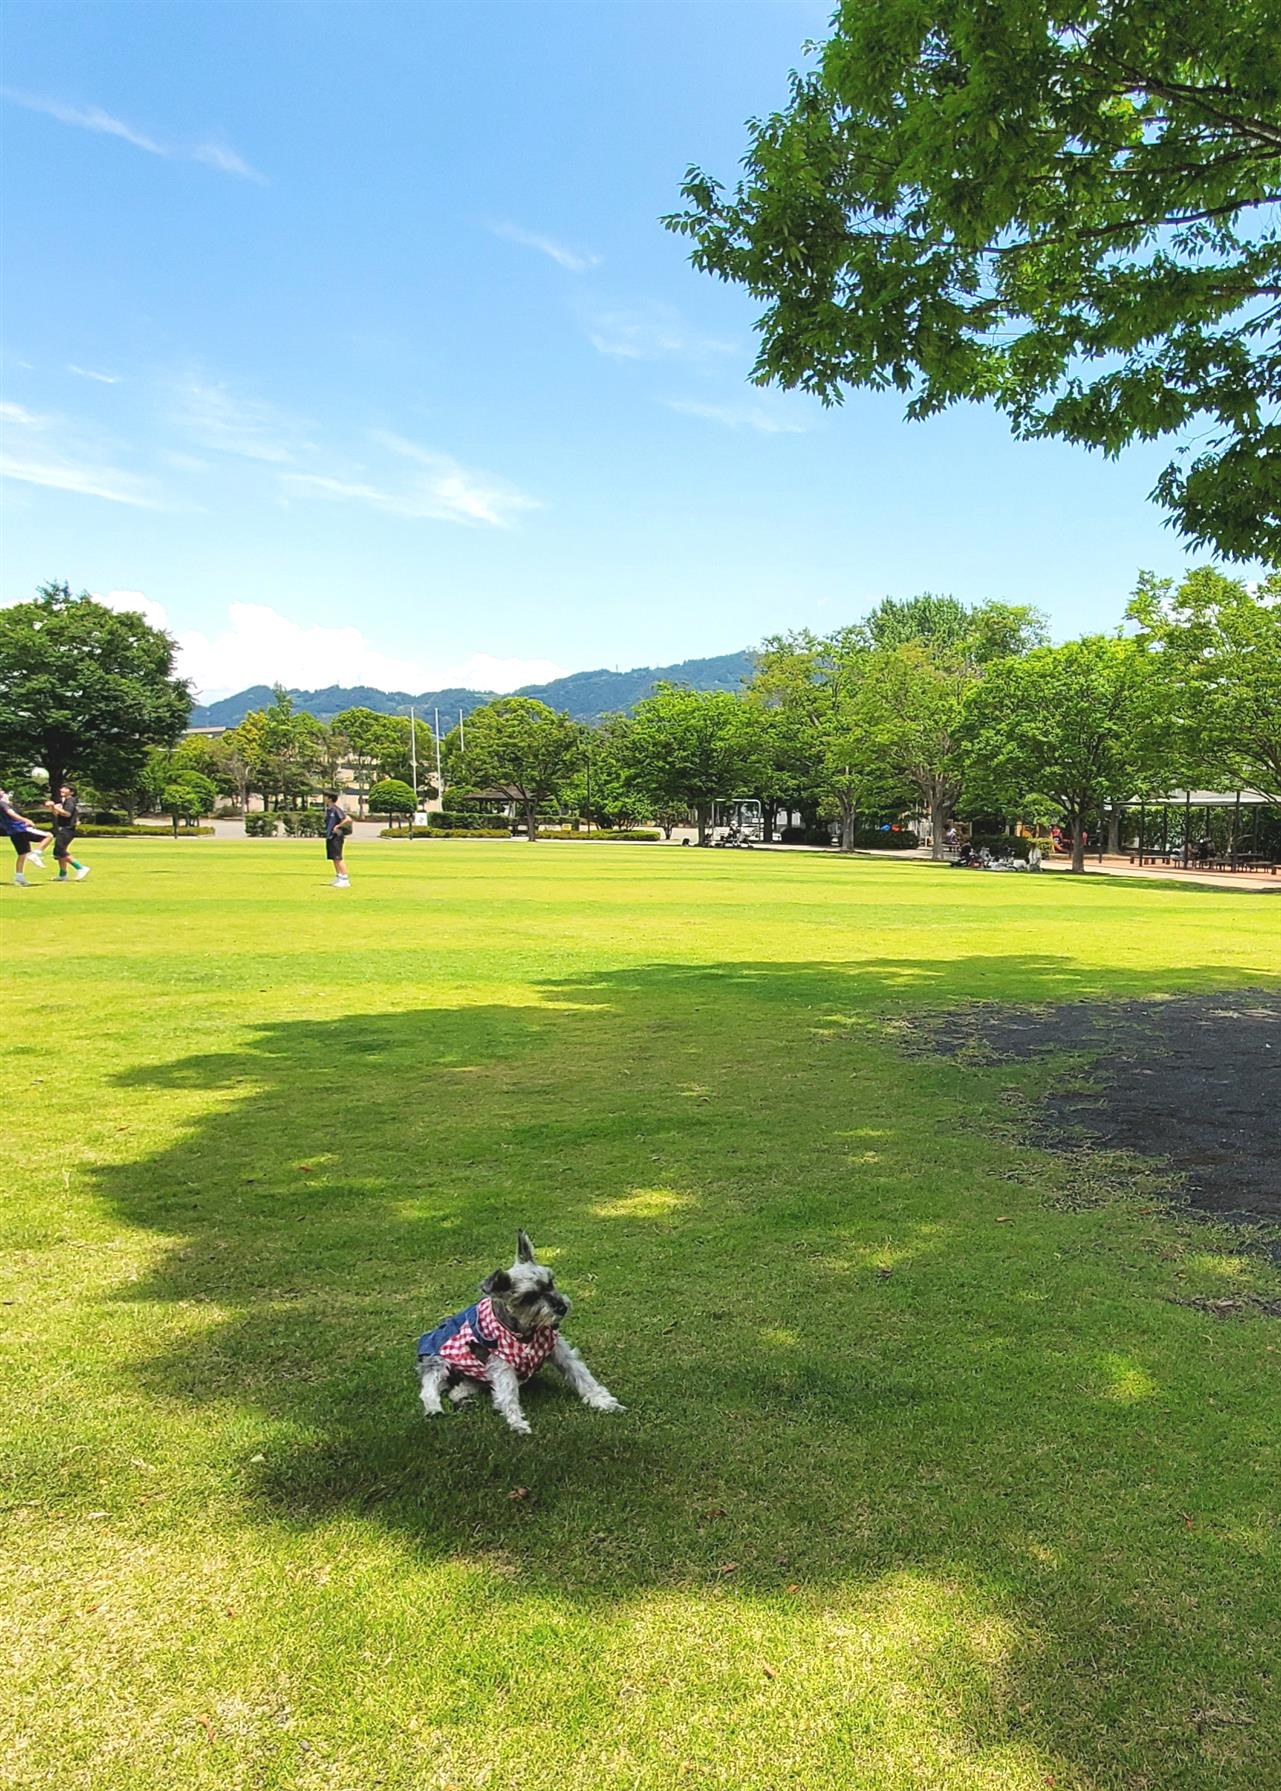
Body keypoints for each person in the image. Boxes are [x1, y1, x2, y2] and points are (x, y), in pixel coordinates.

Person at [0, 789, 53, 885]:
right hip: (21, 828)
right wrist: (25, 820)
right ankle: (35, 854)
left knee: (22, 854)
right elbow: (11, 814)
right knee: (48, 836)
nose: (3, 792)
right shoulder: (2, 804)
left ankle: (19, 877)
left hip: (13, 831)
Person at [47, 783, 90, 881]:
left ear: (71, 792)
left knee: (59, 851)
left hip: (67, 829)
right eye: (62, 788)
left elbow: (67, 814)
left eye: (65, 788)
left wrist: (56, 807)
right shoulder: (64, 801)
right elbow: (57, 814)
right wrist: (53, 808)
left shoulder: (70, 800)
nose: (62, 789)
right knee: (61, 852)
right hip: (62, 828)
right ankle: (63, 875)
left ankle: (80, 867)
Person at [323, 789, 353, 886]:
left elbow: (348, 819)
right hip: (330, 836)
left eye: (325, 796)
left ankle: (345, 878)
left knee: (338, 857)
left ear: (330, 798)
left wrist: (338, 826)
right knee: (333, 857)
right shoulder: (329, 809)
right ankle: (339, 876)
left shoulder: (336, 809)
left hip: (337, 836)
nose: (324, 798)